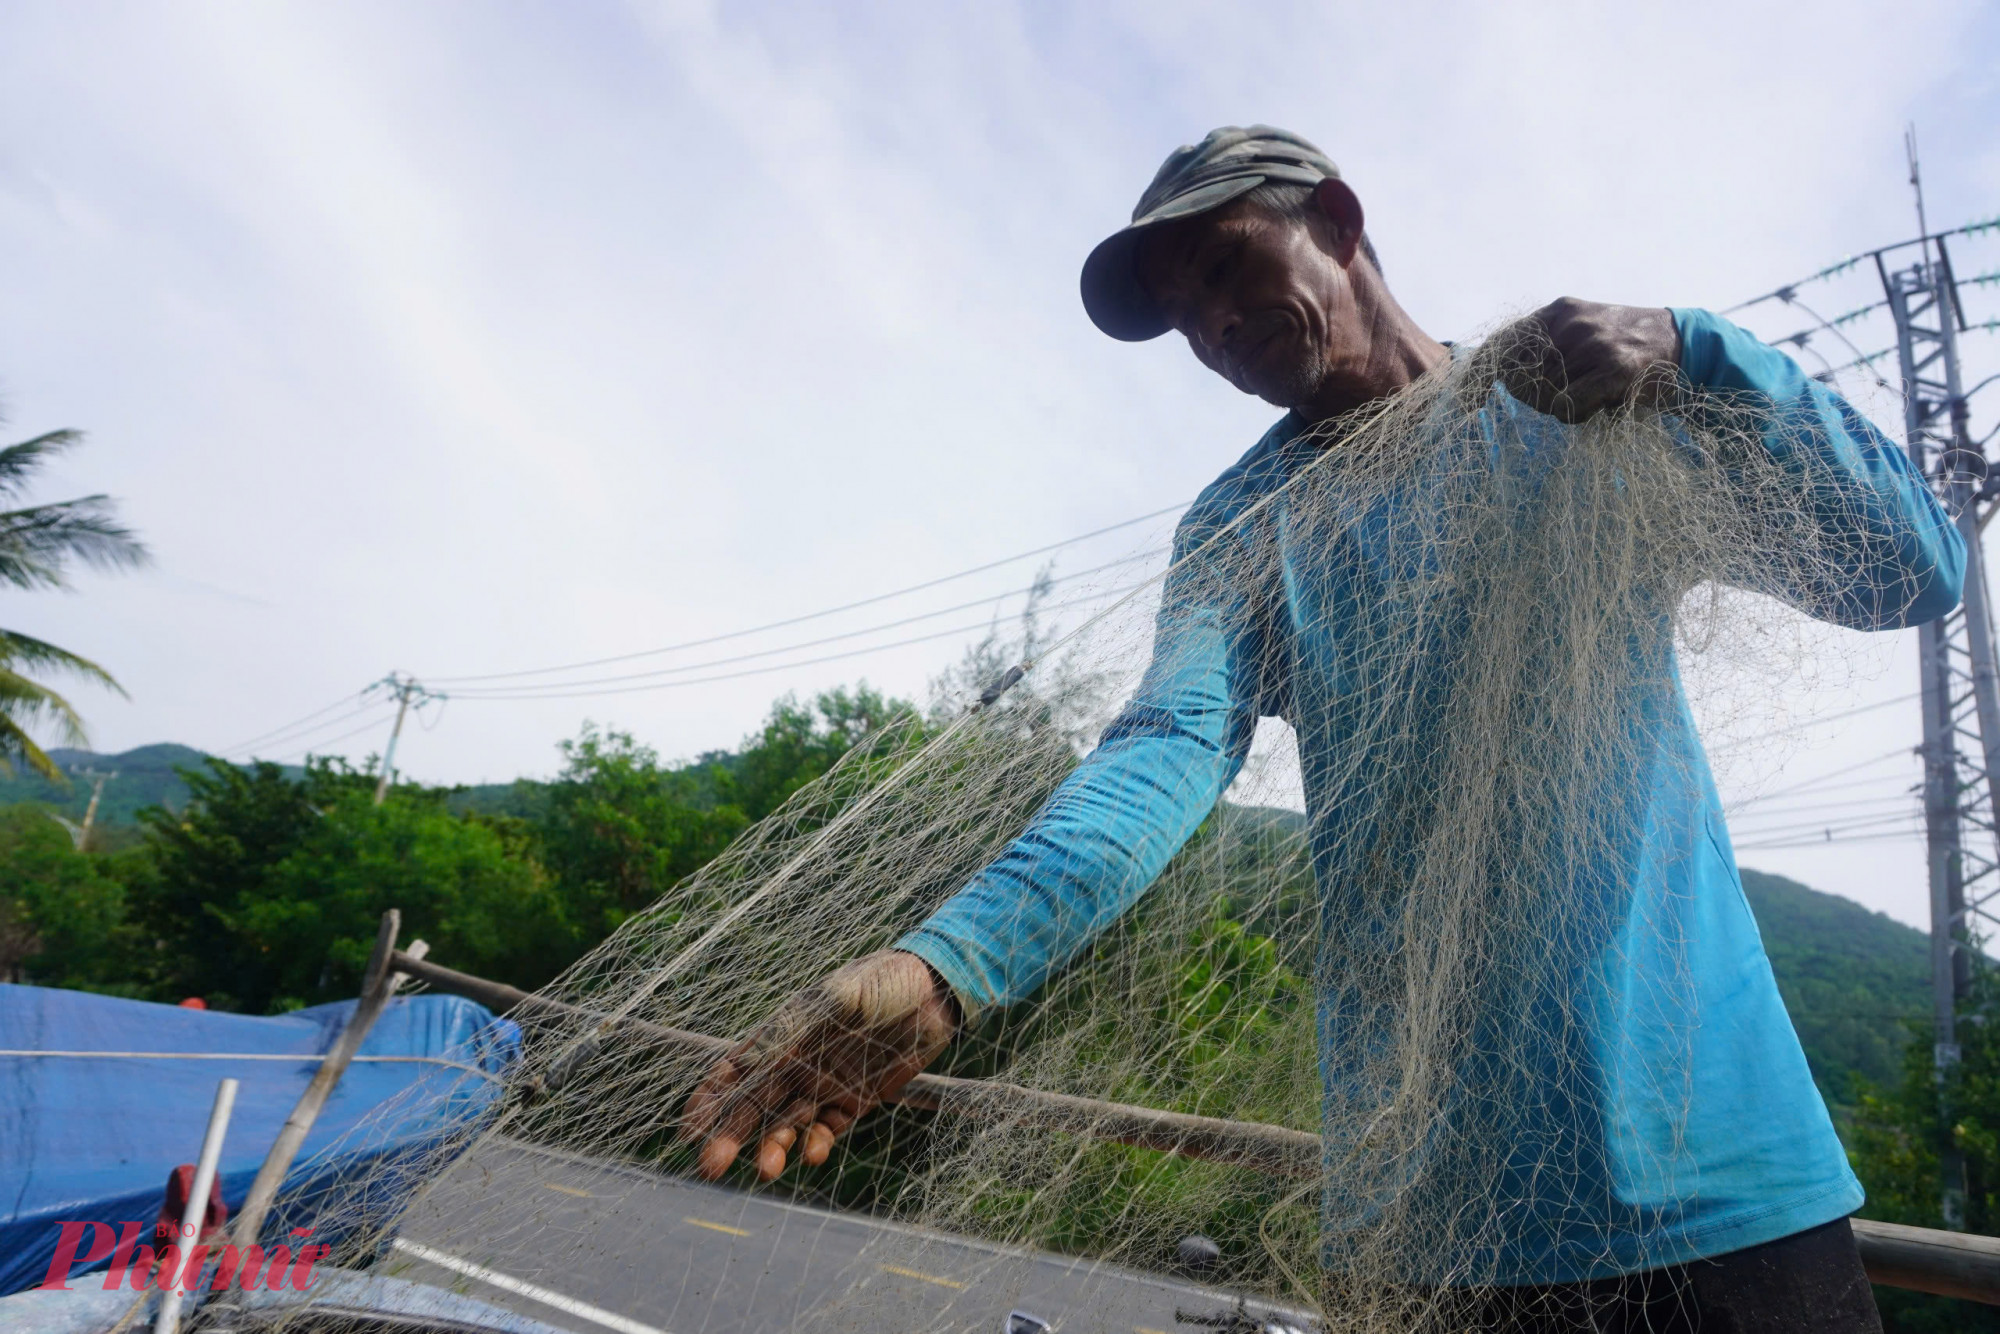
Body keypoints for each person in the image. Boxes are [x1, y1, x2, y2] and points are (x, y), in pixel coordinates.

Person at [683, 126, 1963, 1332]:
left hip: (1720, 1182)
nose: (1216, 326)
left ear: (1338, 222)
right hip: (1433, 1223)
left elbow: (1908, 571)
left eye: (1228, 269)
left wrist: (1696, 352)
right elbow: (1164, 749)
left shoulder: (1582, 402)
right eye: (1186, 320)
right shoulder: (1240, 532)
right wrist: (948, 964)